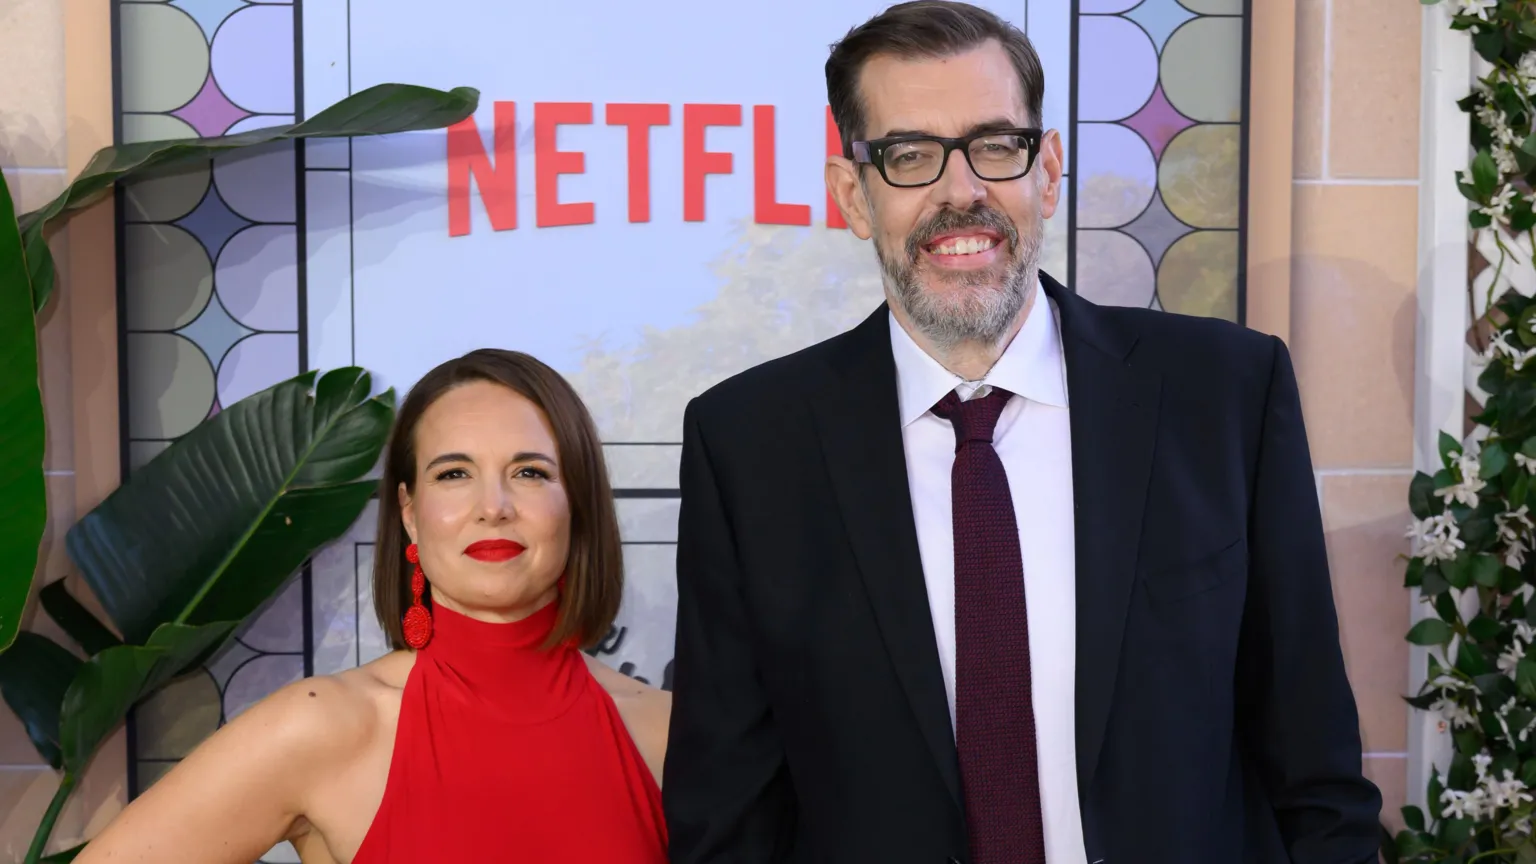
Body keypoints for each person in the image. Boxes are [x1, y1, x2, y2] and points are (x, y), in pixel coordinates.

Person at [661, 2, 1382, 863]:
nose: (959, 191)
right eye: (909, 155)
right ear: (853, 195)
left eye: (994, 145)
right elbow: (727, 813)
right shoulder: (748, 447)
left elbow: (1316, 768)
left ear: (1047, 170)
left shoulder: (1222, 396)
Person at [75, 349, 671, 864]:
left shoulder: (671, 732)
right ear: (409, 512)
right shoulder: (322, 726)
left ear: (578, 505)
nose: (494, 506)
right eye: (454, 472)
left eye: (530, 472)